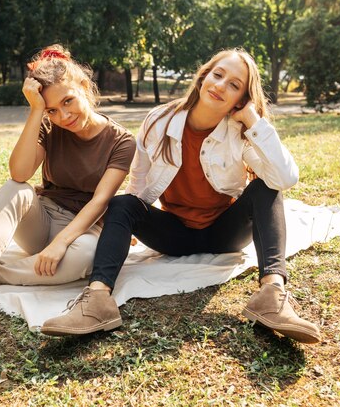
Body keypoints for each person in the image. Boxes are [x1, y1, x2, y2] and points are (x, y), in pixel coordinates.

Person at [41, 48, 321, 344]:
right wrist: (126, 228)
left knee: (267, 186)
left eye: (235, 85)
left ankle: (271, 295)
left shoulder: (241, 131)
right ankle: (97, 302)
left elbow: (286, 177)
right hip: (173, 234)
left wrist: (253, 120)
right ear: (203, 77)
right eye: (218, 74)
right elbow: (138, 181)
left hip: (224, 233)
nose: (221, 86)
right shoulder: (159, 120)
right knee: (122, 203)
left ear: (242, 99)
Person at [0, 45, 136, 341]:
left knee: (87, 256)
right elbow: (19, 174)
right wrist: (36, 112)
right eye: (52, 110)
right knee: (14, 188)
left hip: (82, 228)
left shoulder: (121, 141)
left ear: (84, 87)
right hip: (41, 218)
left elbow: (100, 201)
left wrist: (61, 243)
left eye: (68, 101)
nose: (64, 115)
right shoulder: (47, 124)